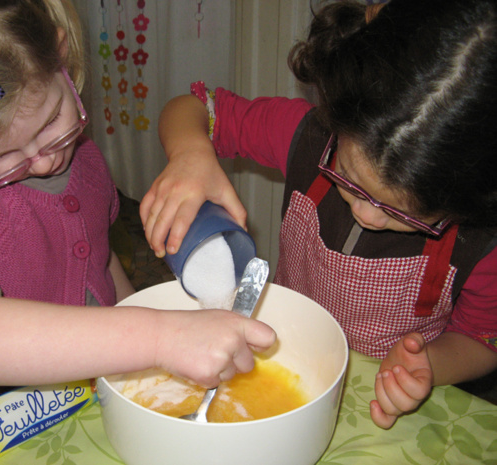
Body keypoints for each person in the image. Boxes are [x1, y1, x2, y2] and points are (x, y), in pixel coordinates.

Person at [0, 0, 276, 424]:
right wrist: (159, 337)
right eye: (4, 155)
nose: (45, 160)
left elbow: (99, 264)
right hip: (5, 439)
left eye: (52, 123)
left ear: (61, 55)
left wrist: (144, 332)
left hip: (93, 410)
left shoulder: (83, 159)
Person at [140, 0, 497, 429]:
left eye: (404, 213)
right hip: (284, 357)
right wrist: (189, 152)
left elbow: (482, 338)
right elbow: (194, 108)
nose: (366, 213)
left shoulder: (481, 238)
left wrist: (428, 366)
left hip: (381, 407)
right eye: (347, 175)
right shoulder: (308, 137)